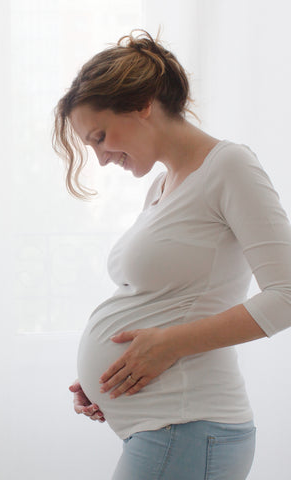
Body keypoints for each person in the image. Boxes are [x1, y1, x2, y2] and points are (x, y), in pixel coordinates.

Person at [52, 29, 291, 479]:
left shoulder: (229, 165)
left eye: (101, 136)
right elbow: (169, 299)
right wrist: (110, 380)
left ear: (143, 103)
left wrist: (165, 348)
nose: (101, 158)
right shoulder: (160, 187)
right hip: (166, 426)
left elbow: (287, 293)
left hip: (189, 425)